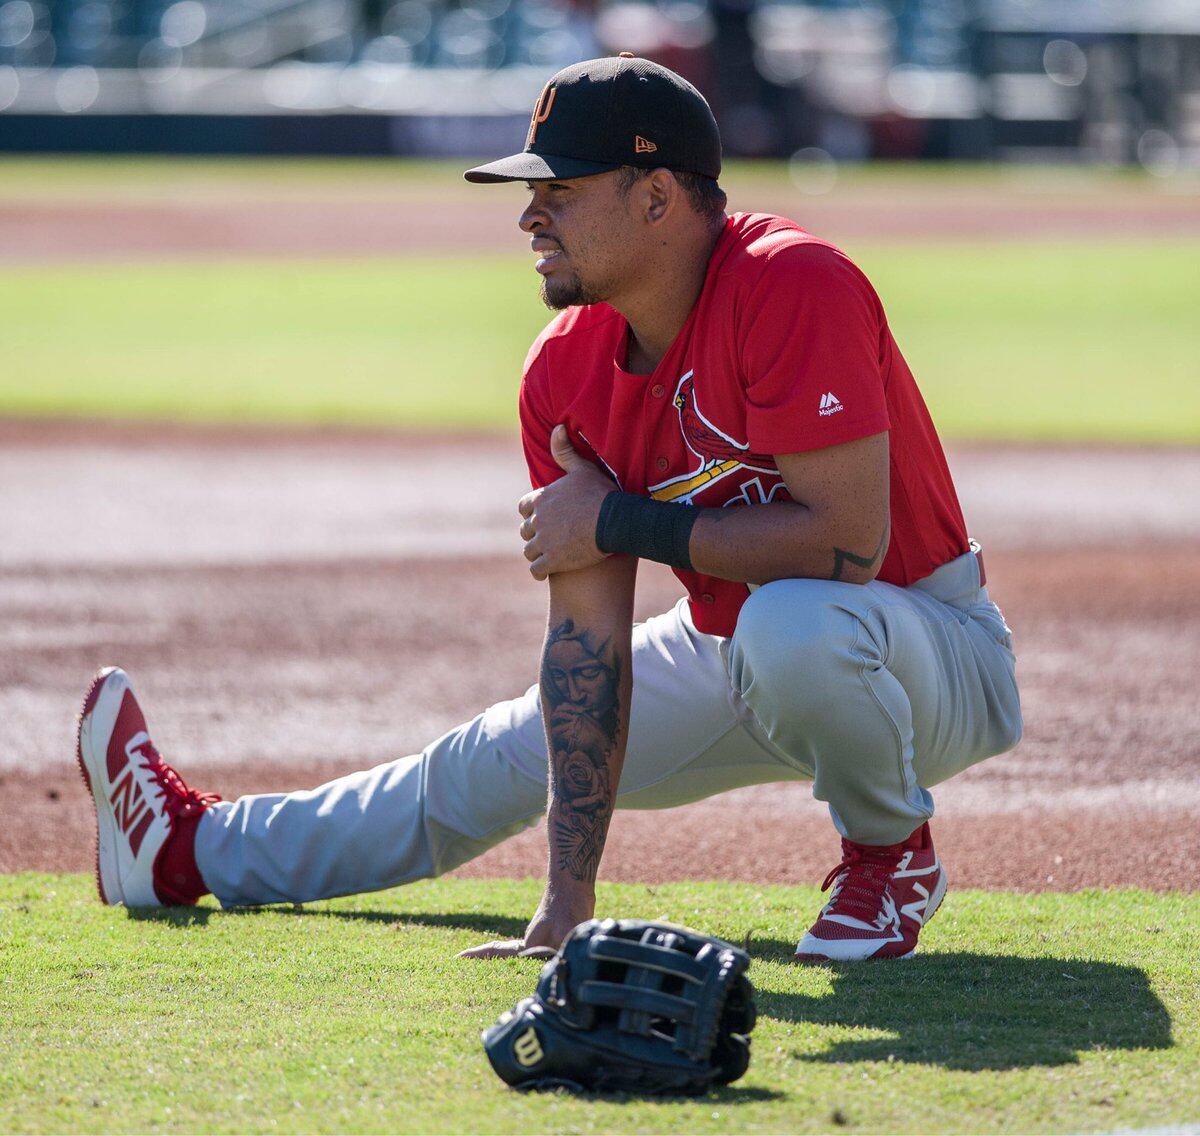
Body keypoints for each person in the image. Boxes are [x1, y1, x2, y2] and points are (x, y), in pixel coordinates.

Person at [75, 55, 1022, 963]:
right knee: (496, 756)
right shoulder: (562, 369)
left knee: (794, 623)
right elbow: (587, 646)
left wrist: (620, 520)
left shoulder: (792, 282)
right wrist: (569, 898)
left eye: (560, 190)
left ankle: (891, 856)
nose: (530, 216)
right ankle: (187, 852)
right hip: (738, 650)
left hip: (925, 652)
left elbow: (848, 549)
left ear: (656, 196)